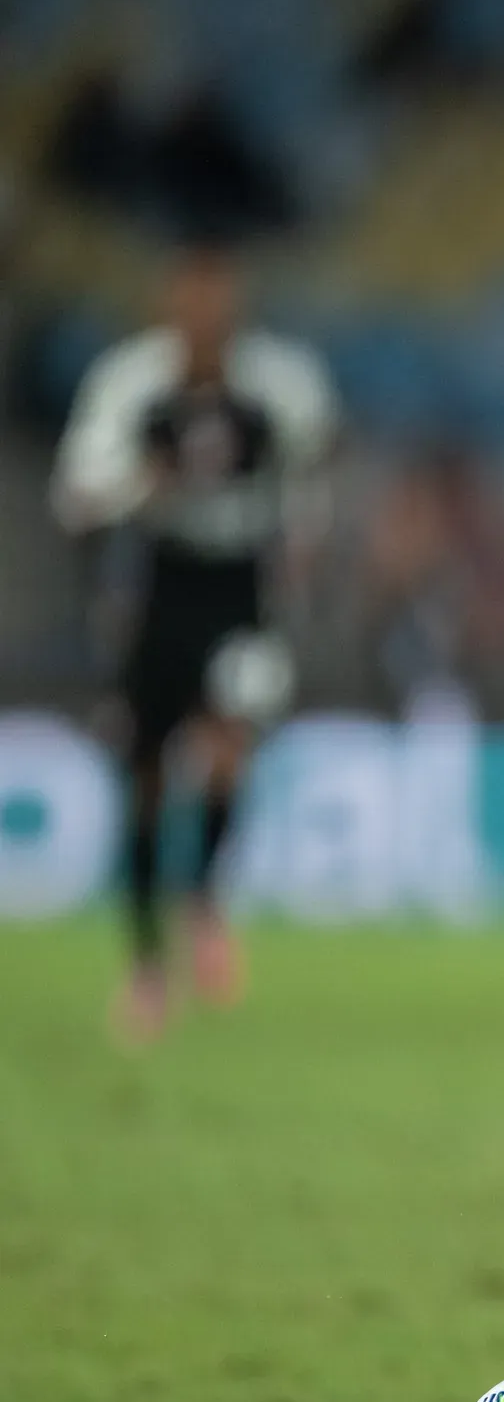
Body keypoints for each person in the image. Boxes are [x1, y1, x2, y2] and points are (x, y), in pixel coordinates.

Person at [53, 244, 337, 1043]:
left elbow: (312, 473)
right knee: (146, 777)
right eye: (192, 294)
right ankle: (145, 967)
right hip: (159, 583)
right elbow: (76, 495)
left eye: (220, 294)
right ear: (170, 301)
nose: (206, 310)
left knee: (228, 747)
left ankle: (203, 901)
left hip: (240, 587)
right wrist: (139, 484)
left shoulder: (280, 384)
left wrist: (299, 557)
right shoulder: (130, 383)